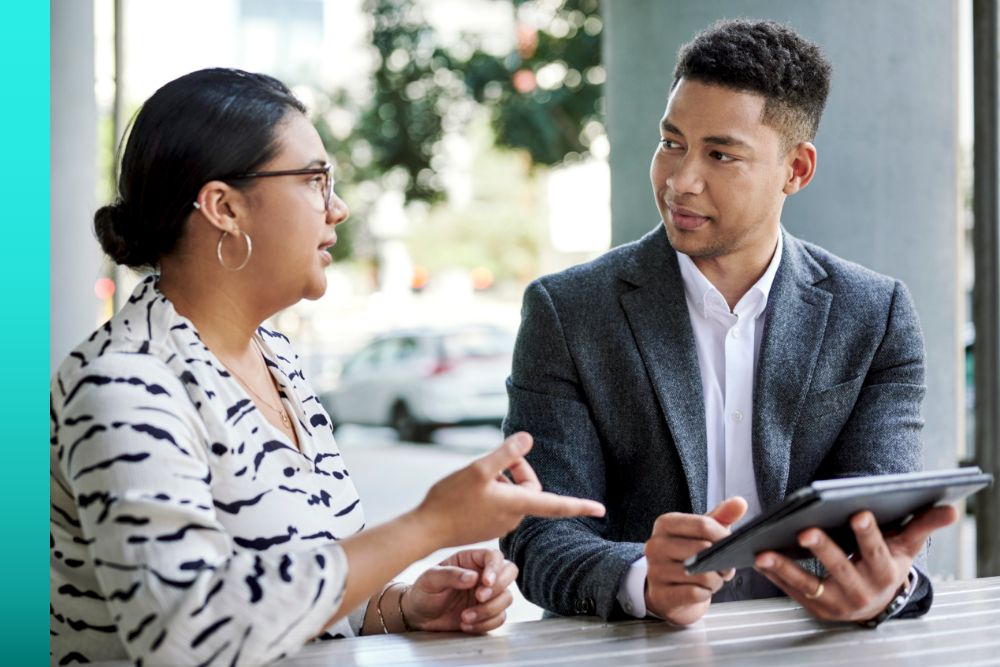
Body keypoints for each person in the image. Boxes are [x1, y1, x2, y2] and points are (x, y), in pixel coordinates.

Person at [49, 68, 605, 666]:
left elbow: (309, 582)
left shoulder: (276, 358)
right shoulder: (122, 382)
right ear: (224, 207)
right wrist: (428, 525)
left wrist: (406, 605)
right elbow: (188, 635)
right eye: (315, 179)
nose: (337, 208)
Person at [500, 19, 957, 628]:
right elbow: (537, 535)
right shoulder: (569, 312)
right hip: (638, 649)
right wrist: (643, 580)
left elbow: (878, 533)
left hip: (814, 644)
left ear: (795, 170)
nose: (680, 181)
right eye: (671, 143)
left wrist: (885, 590)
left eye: (720, 154)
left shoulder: (874, 316)